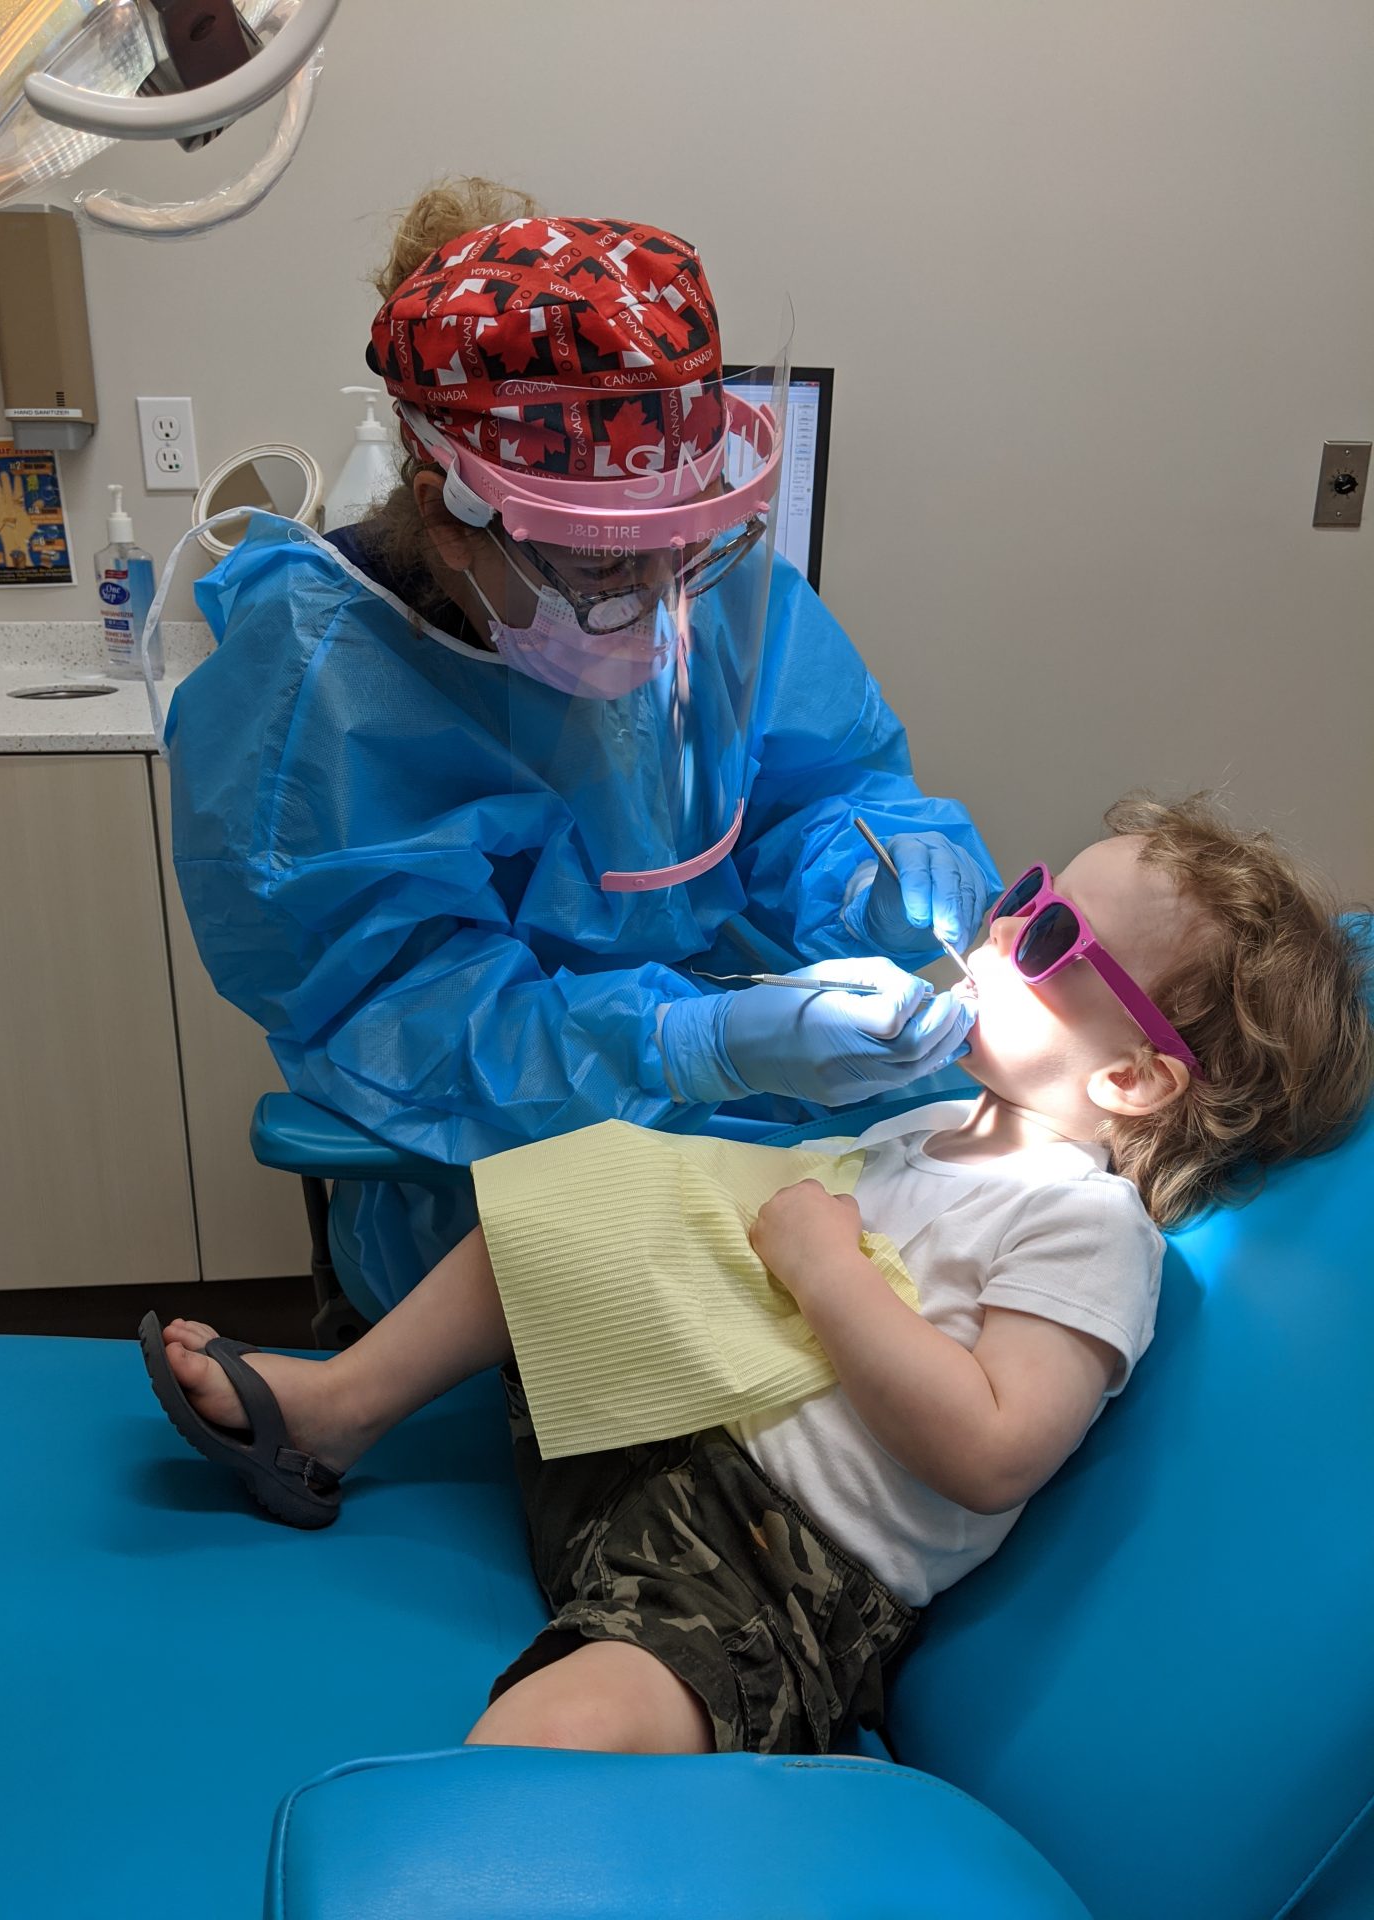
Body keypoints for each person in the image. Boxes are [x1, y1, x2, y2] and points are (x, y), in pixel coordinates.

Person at [142, 792, 1373, 1757]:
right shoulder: (926, 1127)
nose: (1000, 930)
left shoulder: (1086, 1226)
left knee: (573, 1722)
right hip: (656, 1429)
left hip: (770, 1566)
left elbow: (995, 1447)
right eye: (1024, 892)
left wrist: (828, 1269)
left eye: (1049, 938)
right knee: (573, 1200)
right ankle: (335, 1410)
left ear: (1135, 1079)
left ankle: (477, 1831)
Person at [165, 178, 999, 1318]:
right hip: (492, 1189)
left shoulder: (718, 585)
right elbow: (408, 1024)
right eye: (607, 567)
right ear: (448, 512)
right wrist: (690, 1043)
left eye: (686, 548)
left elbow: (824, 782)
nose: (662, 605)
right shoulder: (316, 688)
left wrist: (876, 867)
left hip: (770, 1127)